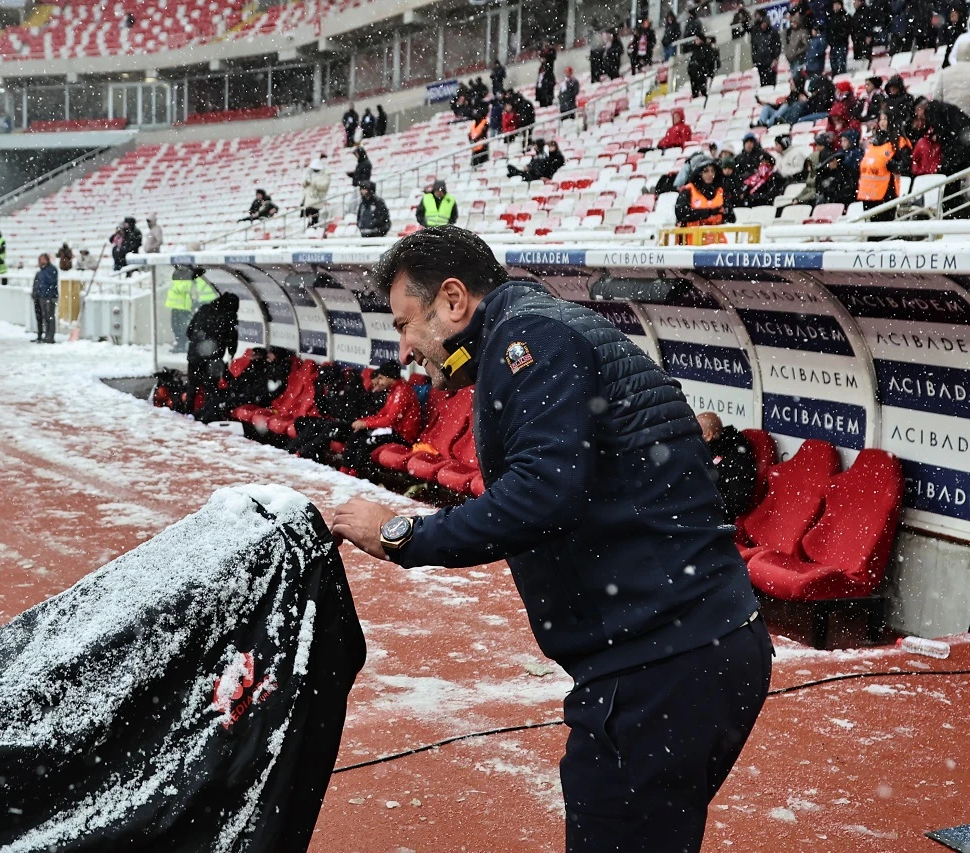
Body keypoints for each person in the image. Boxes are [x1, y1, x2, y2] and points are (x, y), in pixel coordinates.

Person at [330, 227, 770, 853]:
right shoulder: (532, 329)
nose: (404, 350)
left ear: (453, 301)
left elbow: (545, 494)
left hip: (662, 665)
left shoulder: (531, 337)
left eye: (406, 324)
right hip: (681, 648)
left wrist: (402, 534)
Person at [339, 360, 422, 474]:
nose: (378, 381)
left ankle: (355, 474)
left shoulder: (403, 392)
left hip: (403, 436)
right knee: (357, 434)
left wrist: (366, 424)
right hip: (391, 430)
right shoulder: (393, 391)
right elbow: (382, 415)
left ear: (391, 378)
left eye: (381, 378)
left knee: (366, 442)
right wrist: (363, 422)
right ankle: (344, 470)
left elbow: (390, 420)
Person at [696, 412, 757, 521]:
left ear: (708, 435)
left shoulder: (734, 457)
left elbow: (736, 500)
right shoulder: (704, 450)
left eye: (695, 432)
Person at [858, 108, 912, 219]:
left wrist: (895, 166)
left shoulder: (899, 142)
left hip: (887, 191)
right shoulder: (874, 141)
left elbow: (907, 165)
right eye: (880, 119)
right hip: (868, 192)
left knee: (884, 227)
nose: (882, 122)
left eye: (885, 119)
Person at [186, 292, 239, 394]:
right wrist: (232, 353)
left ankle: (189, 407)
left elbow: (189, 331)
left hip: (195, 355)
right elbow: (232, 338)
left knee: (192, 386)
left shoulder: (204, 309)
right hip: (214, 358)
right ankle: (209, 407)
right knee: (211, 387)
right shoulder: (229, 316)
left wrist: (197, 343)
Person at [676, 158, 733, 238]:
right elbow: (681, 213)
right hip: (692, 241)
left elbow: (731, 216)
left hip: (717, 242)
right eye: (706, 171)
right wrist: (708, 212)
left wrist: (723, 211)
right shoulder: (688, 190)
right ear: (699, 173)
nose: (710, 174)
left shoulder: (720, 191)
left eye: (712, 171)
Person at [32, 253, 59, 344]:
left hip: (48, 296)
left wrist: (50, 295)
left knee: (49, 317)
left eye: (43, 259)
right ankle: (41, 335)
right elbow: (37, 284)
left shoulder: (51, 270)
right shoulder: (40, 272)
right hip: (40, 296)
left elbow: (51, 283)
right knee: (41, 317)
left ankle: (50, 336)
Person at [751, 13, 782, 88]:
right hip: (760, 63)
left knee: (771, 82)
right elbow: (754, 47)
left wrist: (775, 58)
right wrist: (755, 60)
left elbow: (777, 46)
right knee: (763, 83)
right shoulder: (757, 34)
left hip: (770, 62)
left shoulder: (773, 33)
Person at [301, 160, 332, 226]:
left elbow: (324, 186)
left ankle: (314, 228)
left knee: (314, 216)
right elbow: (304, 182)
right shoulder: (310, 173)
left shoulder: (326, 174)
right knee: (306, 216)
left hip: (317, 199)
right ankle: (310, 228)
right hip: (308, 199)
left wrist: (312, 183)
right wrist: (305, 183)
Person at [826, 0, 852, 76]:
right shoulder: (831, 17)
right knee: (833, 65)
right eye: (835, 4)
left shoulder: (845, 16)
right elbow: (828, 30)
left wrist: (840, 37)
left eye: (837, 4)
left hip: (841, 44)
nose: (836, 6)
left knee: (841, 65)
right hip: (833, 45)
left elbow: (848, 29)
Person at [687, 34, 717, 99]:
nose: (696, 41)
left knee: (704, 92)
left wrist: (707, 72)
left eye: (698, 39)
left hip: (702, 73)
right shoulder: (695, 50)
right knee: (695, 93)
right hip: (694, 74)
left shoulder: (706, 49)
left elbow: (709, 62)